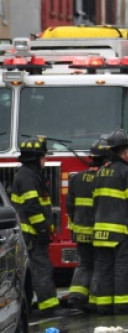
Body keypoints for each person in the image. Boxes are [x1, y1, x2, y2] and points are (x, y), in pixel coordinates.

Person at [13, 136, 72, 318]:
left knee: (31, 270)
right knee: (42, 269)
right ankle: (49, 307)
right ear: (36, 158)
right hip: (32, 234)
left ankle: (29, 306)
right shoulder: (28, 177)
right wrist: (42, 229)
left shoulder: (29, 175)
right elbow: (32, 207)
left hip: (29, 233)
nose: (45, 161)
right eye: (43, 157)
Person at [91, 129, 128, 315]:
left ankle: (104, 306)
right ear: (125, 151)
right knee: (124, 268)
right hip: (121, 233)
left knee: (104, 270)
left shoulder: (100, 172)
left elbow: (95, 202)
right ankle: (123, 306)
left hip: (100, 232)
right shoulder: (125, 172)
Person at [65, 136, 110, 313]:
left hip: (80, 231)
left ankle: (76, 295)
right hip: (98, 231)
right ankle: (94, 300)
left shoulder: (76, 179)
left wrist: (74, 227)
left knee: (84, 264)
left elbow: (70, 206)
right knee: (99, 265)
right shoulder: (105, 178)